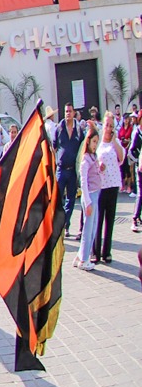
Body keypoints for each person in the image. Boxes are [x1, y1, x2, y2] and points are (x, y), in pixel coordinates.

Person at [93, 111, 123, 265]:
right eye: (107, 125)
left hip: (113, 184)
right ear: (102, 125)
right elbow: (91, 157)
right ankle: (95, 252)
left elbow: (121, 157)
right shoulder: (97, 142)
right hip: (100, 185)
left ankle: (107, 252)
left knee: (110, 219)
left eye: (111, 126)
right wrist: (98, 164)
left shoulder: (113, 142)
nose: (109, 128)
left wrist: (115, 140)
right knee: (98, 219)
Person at [76, 125, 102, 271]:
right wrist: (87, 202)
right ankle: (84, 259)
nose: (95, 145)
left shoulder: (94, 156)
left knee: (93, 227)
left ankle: (81, 255)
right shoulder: (86, 158)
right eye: (93, 142)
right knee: (88, 228)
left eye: (97, 142)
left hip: (96, 193)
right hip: (90, 195)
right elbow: (84, 181)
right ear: (88, 142)